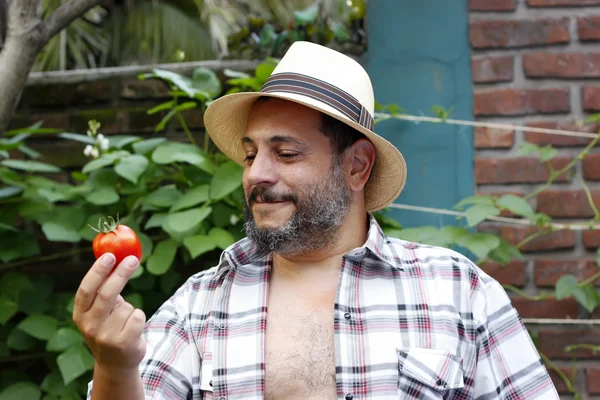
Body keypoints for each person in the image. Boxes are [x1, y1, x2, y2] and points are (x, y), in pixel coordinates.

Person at [74, 41, 559, 400]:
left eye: (285, 152)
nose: (256, 175)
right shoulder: (199, 306)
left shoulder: (459, 290)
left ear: (356, 166)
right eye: (250, 154)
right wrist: (115, 368)